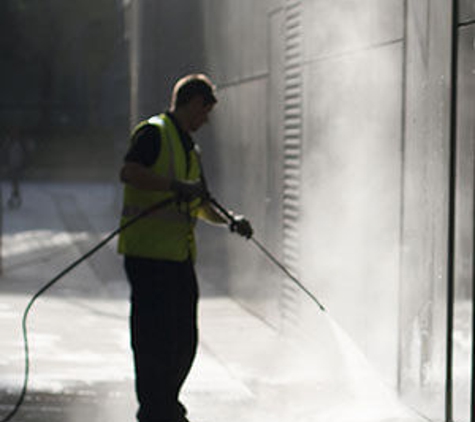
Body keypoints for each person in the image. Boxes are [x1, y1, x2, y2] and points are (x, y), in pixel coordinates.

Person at [118, 73, 253, 422]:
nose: (206, 120)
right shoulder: (154, 133)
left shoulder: (190, 147)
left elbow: (200, 201)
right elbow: (130, 172)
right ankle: (156, 410)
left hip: (177, 258)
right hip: (147, 256)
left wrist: (231, 220)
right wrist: (173, 185)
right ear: (194, 103)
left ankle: (165, 404)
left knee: (184, 341)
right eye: (205, 112)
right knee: (153, 341)